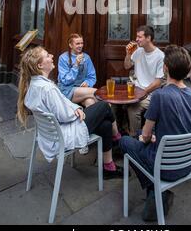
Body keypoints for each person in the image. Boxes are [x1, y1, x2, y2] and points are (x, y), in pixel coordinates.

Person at [120, 44, 191, 221]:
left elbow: (146, 135)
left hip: (166, 167)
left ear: (165, 68)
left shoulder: (160, 95)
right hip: (187, 163)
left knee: (126, 141)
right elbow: (187, 129)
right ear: (188, 69)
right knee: (140, 139)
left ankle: (155, 191)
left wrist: (146, 138)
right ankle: (156, 193)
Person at [17, 46, 123, 179]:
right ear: (40, 65)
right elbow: (64, 116)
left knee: (106, 124)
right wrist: (75, 111)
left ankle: (109, 168)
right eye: (47, 55)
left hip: (51, 136)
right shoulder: (48, 88)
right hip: (63, 135)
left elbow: (63, 104)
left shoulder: (34, 84)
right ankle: (118, 138)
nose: (51, 56)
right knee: (103, 106)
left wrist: (75, 108)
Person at [124, 25, 164, 136]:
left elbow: (158, 82)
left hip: (149, 94)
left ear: (148, 38)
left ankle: (135, 137)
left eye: (139, 37)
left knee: (133, 110)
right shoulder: (138, 51)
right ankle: (119, 133)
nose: (136, 39)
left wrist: (142, 93)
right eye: (136, 37)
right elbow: (127, 66)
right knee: (114, 104)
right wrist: (128, 54)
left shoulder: (160, 56)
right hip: (134, 90)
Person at [58, 33, 97, 108]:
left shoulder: (86, 57)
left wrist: (87, 83)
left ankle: (88, 119)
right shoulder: (63, 58)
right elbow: (65, 81)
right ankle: (110, 111)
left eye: (82, 43)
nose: (80, 46)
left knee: (90, 102)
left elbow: (92, 77)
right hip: (67, 90)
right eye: (77, 43)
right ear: (70, 45)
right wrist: (76, 65)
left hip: (83, 90)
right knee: (96, 93)